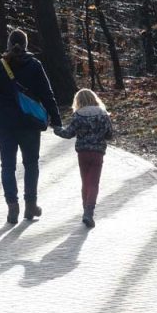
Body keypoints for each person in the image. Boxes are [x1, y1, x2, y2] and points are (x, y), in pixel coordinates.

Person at [0, 29, 61, 224]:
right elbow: (48, 94)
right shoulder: (34, 66)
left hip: (5, 125)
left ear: (8, 45)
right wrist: (57, 120)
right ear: (25, 44)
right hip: (29, 124)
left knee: (7, 166)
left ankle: (12, 207)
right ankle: (30, 206)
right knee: (31, 164)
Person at [54, 88, 113, 228]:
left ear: (78, 101)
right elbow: (109, 134)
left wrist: (57, 129)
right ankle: (89, 212)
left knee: (85, 182)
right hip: (98, 152)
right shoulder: (103, 114)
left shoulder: (78, 115)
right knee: (94, 183)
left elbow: (68, 133)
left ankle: (85, 210)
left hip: (83, 153)